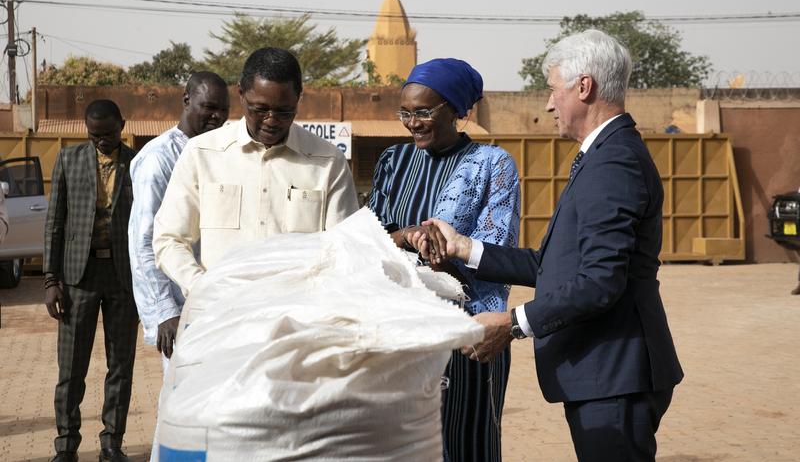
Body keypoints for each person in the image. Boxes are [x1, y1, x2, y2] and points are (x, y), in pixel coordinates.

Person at [411, 30, 684, 462]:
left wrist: (512, 323)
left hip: (615, 373)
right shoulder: (604, 155)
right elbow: (552, 264)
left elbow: (598, 282)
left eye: (554, 90)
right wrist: (466, 249)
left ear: (584, 86)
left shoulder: (614, 162)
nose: (548, 104)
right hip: (608, 374)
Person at [368, 58, 521, 462]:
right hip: (400, 336)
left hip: (467, 337)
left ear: (457, 110)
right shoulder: (393, 162)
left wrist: (445, 260)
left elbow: (497, 256)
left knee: (466, 444)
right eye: (405, 112)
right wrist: (408, 237)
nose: (413, 122)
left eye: (423, 112)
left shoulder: (493, 166)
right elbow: (367, 241)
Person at [153, 47, 358, 295]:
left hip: (297, 317)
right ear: (240, 93)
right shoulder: (202, 153)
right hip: (218, 314)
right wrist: (202, 287)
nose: (271, 120)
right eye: (259, 109)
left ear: (299, 99)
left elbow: (344, 248)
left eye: (283, 111)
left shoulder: (327, 161)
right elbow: (169, 239)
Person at [128, 71, 230, 461]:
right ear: (186, 101)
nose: (216, 117)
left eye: (223, 110)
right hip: (179, 311)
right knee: (182, 411)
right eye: (208, 108)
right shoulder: (159, 159)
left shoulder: (218, 151)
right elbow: (143, 243)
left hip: (216, 305)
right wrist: (163, 313)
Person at [43, 100, 138, 462]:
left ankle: (111, 444)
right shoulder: (69, 160)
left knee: (121, 368)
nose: (102, 141)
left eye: (109, 134)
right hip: (76, 279)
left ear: (122, 125)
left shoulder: (137, 163)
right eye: (95, 135)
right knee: (71, 370)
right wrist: (51, 280)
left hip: (122, 278)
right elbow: (54, 223)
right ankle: (66, 447)